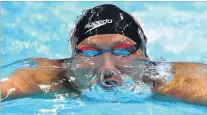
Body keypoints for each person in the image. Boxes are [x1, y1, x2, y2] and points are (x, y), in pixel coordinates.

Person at [1, 4, 207, 106]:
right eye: (91, 52)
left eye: (123, 51)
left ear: (144, 55)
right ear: (73, 60)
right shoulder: (48, 78)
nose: (107, 68)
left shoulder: (174, 82)